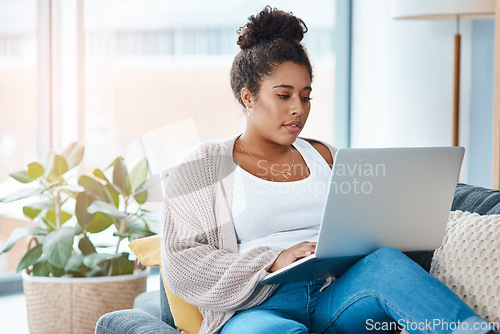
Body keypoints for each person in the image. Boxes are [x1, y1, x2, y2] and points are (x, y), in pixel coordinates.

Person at [161, 6, 498, 334]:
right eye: (284, 95)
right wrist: (273, 259)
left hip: (335, 298)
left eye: (306, 97)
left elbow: (367, 230)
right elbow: (182, 263)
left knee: (387, 263)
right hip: (257, 309)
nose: (298, 109)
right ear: (248, 97)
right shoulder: (205, 165)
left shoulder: (325, 156)